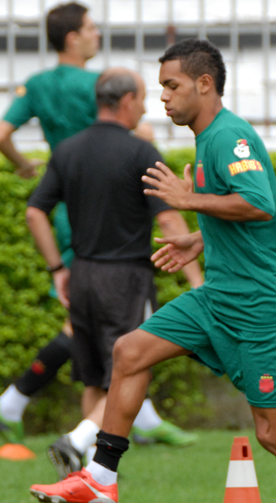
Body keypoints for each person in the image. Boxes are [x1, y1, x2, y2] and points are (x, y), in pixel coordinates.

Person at [30, 39, 276, 503]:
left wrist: (189, 202)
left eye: (172, 86)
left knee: (274, 433)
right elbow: (270, 201)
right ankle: (100, 476)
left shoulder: (229, 136)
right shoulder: (209, 139)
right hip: (220, 295)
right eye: (160, 87)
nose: (163, 97)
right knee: (130, 350)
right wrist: (200, 236)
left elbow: (259, 203)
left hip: (263, 303)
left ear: (205, 84)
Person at [0, 2, 197, 452]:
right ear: (73, 37)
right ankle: (39, 412)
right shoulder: (101, 86)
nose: (97, 34)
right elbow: (141, 143)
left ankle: (122, 425)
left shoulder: (37, 85)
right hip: (114, 214)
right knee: (124, 333)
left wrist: (24, 167)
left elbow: (3, 135)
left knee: (88, 330)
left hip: (68, 212)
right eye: (91, 28)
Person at [26, 67, 203, 479]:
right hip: (125, 280)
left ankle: (87, 476)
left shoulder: (67, 149)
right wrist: (197, 281)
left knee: (94, 378)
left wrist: (58, 269)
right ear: (126, 101)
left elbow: (35, 213)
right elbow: (169, 221)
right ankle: (77, 441)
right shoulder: (141, 152)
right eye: (142, 98)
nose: (146, 106)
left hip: (82, 275)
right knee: (131, 371)